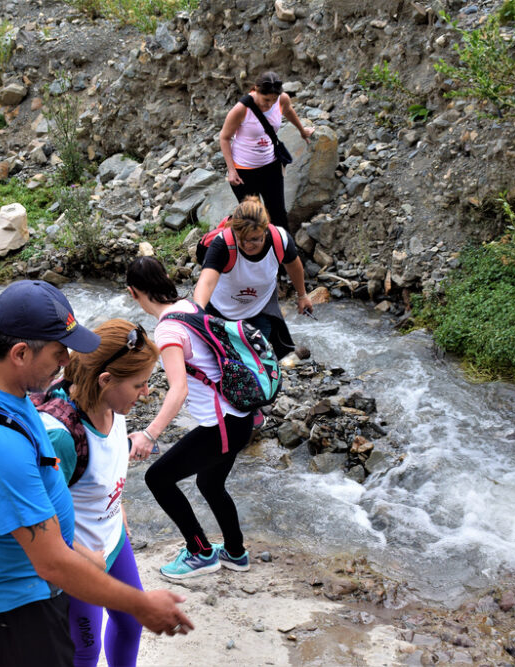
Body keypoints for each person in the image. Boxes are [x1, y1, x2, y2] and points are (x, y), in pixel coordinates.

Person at [0, 280, 193, 667]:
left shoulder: (7, 391)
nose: (67, 363)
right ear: (21, 353)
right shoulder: (3, 441)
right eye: (60, 352)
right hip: (17, 605)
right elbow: (52, 559)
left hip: (62, 571)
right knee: (85, 650)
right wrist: (141, 604)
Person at [39, 319, 160, 667]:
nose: (147, 393)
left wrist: (117, 509)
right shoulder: (59, 436)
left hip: (113, 540)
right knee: (85, 650)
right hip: (80, 558)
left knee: (131, 622)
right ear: (105, 380)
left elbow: (104, 469)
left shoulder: (113, 405)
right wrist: (82, 557)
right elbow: (36, 522)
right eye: (139, 384)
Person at [125, 258, 254, 580]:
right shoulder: (190, 306)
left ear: (132, 293)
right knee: (209, 482)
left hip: (222, 425)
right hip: (241, 418)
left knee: (157, 478)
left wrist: (149, 434)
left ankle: (200, 552)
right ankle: (235, 553)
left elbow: (178, 391)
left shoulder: (168, 329)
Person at [193, 196, 313, 360]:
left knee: (254, 360)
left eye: (255, 239)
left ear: (265, 229)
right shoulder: (223, 244)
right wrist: (197, 310)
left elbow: (294, 265)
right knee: (218, 360)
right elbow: (206, 282)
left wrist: (302, 295)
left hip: (258, 311)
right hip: (219, 311)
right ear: (235, 232)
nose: (248, 245)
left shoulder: (280, 239)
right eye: (242, 240)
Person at [220, 70, 315, 230]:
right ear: (255, 89)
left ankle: (284, 251)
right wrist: (231, 170)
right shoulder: (241, 109)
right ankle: (260, 252)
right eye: (266, 99)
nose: (269, 104)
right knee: (253, 218)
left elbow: (289, 110)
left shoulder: (282, 99)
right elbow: (224, 137)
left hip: (270, 166)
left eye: (274, 99)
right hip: (245, 171)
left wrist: (302, 130)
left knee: (278, 214)